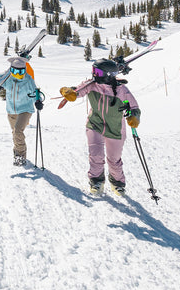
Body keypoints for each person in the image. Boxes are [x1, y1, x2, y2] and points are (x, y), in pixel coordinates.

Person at [59, 58, 140, 197]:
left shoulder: (121, 90)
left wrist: (133, 117)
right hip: (95, 124)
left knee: (114, 159)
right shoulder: (91, 85)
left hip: (115, 128)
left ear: (108, 74)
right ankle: (96, 180)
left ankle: (117, 183)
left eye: (97, 71)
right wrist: (70, 93)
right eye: (93, 71)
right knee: (96, 154)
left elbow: (134, 107)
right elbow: (78, 91)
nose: (94, 75)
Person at [0, 56, 43, 166]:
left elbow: (36, 93)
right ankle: (18, 153)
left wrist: (38, 101)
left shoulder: (28, 80)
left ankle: (20, 157)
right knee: (15, 134)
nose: (17, 74)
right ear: (11, 70)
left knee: (18, 131)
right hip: (11, 110)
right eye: (14, 71)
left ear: (24, 70)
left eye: (21, 72)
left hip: (25, 109)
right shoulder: (7, 78)